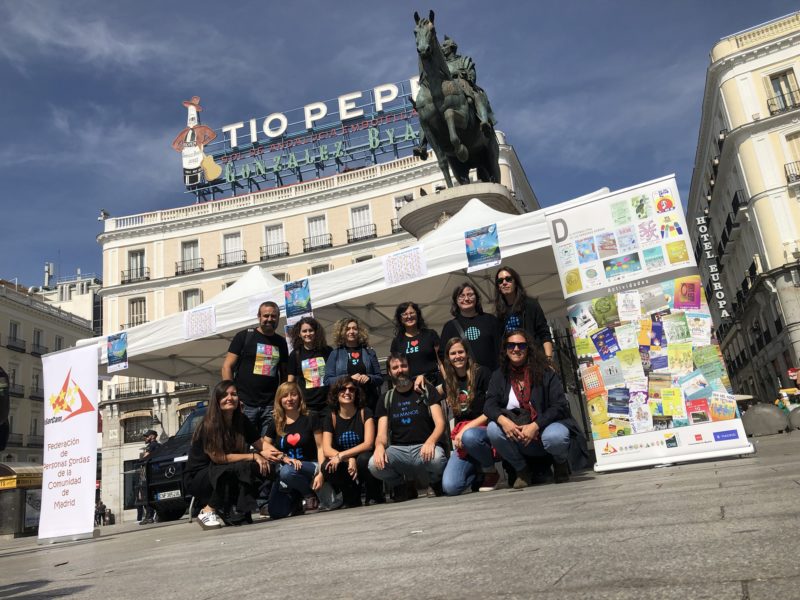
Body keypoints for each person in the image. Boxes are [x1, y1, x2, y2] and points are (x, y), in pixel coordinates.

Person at [484, 330, 579, 488]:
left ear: (528, 348)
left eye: (521, 345)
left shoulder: (546, 372)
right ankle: (522, 470)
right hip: (517, 433)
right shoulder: (499, 375)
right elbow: (489, 405)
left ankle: (560, 462)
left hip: (543, 430)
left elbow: (560, 405)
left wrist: (535, 426)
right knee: (493, 428)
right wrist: (503, 421)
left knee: (556, 437)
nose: (516, 349)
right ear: (505, 349)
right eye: (511, 345)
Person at [183, 381, 275, 530]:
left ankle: (236, 508)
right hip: (200, 477)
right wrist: (253, 456)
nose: (230, 398)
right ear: (217, 400)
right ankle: (207, 510)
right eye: (224, 395)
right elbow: (219, 458)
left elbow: (262, 445)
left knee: (261, 467)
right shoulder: (208, 424)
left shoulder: (242, 420)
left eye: (234, 394)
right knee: (237, 467)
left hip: (223, 470)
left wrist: (285, 458)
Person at [368, 353, 447, 501]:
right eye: (395, 367)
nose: (400, 370)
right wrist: (379, 446)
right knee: (373, 464)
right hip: (399, 452)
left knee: (437, 459)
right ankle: (401, 485)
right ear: (390, 372)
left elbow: (440, 424)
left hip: (425, 447)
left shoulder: (426, 390)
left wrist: (431, 441)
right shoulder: (386, 398)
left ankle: (434, 482)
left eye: (403, 366)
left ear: (409, 368)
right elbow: (381, 434)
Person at [439, 338, 499, 496]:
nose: (457, 356)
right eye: (453, 353)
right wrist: (420, 379)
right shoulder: (449, 382)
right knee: (450, 487)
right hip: (464, 439)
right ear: (448, 357)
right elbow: (431, 393)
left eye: (461, 352)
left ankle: (490, 471)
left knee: (470, 436)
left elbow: (491, 410)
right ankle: (477, 473)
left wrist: (465, 429)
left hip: (484, 432)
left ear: (467, 354)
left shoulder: (482, 373)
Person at [222, 301, 289, 436]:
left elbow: (284, 375)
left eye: (273, 316)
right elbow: (226, 367)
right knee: (240, 445)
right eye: (266, 316)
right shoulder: (244, 336)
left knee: (269, 449)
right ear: (259, 317)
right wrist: (233, 398)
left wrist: (280, 402)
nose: (269, 319)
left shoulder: (281, 342)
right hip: (244, 405)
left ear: (278, 317)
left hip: (270, 406)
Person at [264, 382, 325, 519]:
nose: (289, 399)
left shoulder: (311, 417)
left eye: (293, 394)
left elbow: (321, 447)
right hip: (289, 470)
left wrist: (321, 472)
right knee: (276, 512)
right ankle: (299, 495)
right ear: (279, 399)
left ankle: (310, 496)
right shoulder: (276, 422)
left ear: (300, 397)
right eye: (285, 396)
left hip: (311, 466)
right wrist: (282, 456)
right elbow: (264, 446)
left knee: (286, 471)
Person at [321, 376, 381, 507]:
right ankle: (350, 495)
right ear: (336, 393)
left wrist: (343, 455)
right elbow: (326, 449)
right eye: (343, 389)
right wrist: (349, 459)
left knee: (364, 459)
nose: (347, 392)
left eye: (351, 389)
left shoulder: (365, 412)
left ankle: (374, 494)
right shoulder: (331, 416)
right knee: (327, 466)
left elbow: (368, 444)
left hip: (363, 458)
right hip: (345, 462)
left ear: (356, 393)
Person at [493, 265, 554, 359]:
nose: (504, 283)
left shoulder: (530, 304)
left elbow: (544, 333)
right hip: (512, 360)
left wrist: (548, 358)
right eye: (500, 281)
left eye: (508, 279)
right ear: (498, 286)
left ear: (516, 283)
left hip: (533, 358)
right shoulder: (499, 311)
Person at [440, 36, 495, 137]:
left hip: (463, 84)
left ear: (451, 47)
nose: (442, 48)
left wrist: (464, 74)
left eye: (444, 46)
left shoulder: (464, 60)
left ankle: (484, 121)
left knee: (477, 96)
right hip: (446, 88)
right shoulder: (441, 64)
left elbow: (471, 74)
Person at [324, 318, 383, 411]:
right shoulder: (335, 354)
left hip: (369, 402)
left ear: (359, 331)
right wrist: (349, 378)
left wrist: (369, 378)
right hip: (346, 404)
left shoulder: (369, 352)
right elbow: (327, 381)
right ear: (342, 332)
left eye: (354, 328)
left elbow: (380, 378)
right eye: (347, 329)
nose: (351, 331)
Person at [440, 283, 501, 371]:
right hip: (465, 379)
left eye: (470, 295)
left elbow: (500, 348)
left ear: (477, 297)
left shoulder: (490, 320)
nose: (466, 299)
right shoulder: (450, 327)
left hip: (492, 376)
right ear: (456, 300)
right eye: (461, 296)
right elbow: (443, 355)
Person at [287, 316, 333, 420]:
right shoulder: (295, 354)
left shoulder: (327, 351)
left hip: (327, 405)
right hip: (306, 406)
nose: (307, 334)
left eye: (310, 330)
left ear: (316, 332)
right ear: (299, 334)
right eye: (304, 331)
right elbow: (291, 382)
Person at [390, 301, 441, 391]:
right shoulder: (397, 342)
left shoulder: (430, 334)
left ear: (417, 314)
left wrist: (446, 382)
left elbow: (441, 361)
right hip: (410, 387)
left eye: (412, 313)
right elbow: (395, 369)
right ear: (400, 318)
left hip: (434, 383)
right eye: (404, 314)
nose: (409, 316)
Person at [137, 429, 160, 525]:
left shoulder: (152, 446)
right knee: (152, 495)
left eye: (147, 436)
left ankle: (149, 517)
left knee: (146, 495)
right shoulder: (158, 446)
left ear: (152, 436)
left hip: (147, 473)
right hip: (154, 473)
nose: (145, 438)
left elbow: (144, 458)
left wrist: (141, 457)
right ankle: (155, 515)